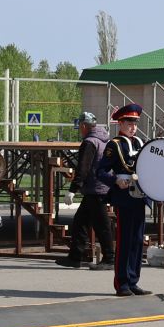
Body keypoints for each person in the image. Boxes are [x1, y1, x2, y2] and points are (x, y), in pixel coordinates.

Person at [103, 103, 151, 296]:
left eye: (135, 123)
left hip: (139, 196)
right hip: (124, 197)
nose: (133, 127)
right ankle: (122, 283)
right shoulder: (114, 145)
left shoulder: (140, 143)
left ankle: (133, 280)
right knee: (124, 240)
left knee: (137, 240)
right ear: (120, 123)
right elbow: (100, 171)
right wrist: (115, 180)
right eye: (129, 122)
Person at [58, 110, 113, 269]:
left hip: (96, 189)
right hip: (98, 188)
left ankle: (109, 258)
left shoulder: (90, 142)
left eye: (79, 127)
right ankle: (76, 257)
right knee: (80, 223)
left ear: (83, 126)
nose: (80, 130)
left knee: (102, 225)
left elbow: (83, 168)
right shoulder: (104, 140)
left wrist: (73, 190)